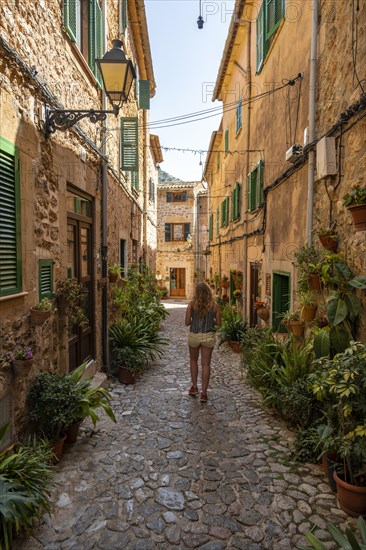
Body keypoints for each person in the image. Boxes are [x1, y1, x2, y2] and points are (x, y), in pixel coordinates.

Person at [185, 282, 221, 402]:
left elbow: (186, 323)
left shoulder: (191, 305)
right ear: (208, 292)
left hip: (194, 336)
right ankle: (204, 393)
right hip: (208, 336)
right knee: (206, 364)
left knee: (193, 360)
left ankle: (194, 387)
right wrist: (211, 321)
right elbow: (218, 323)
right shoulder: (215, 306)